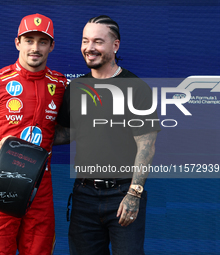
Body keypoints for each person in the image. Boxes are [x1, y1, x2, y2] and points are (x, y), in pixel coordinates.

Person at [0, 13, 67, 255]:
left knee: (40, 251)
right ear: (18, 43)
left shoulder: (60, 85)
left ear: (52, 46)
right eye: (29, 40)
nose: (35, 48)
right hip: (3, 178)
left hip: (41, 184)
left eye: (42, 41)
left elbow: (65, 130)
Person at [55, 15, 161, 255]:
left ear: (115, 45)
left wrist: (134, 194)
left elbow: (147, 145)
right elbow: (67, 133)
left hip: (123, 194)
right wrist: (23, 135)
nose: (89, 48)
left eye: (98, 41)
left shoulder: (135, 87)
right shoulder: (76, 87)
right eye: (85, 41)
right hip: (83, 195)